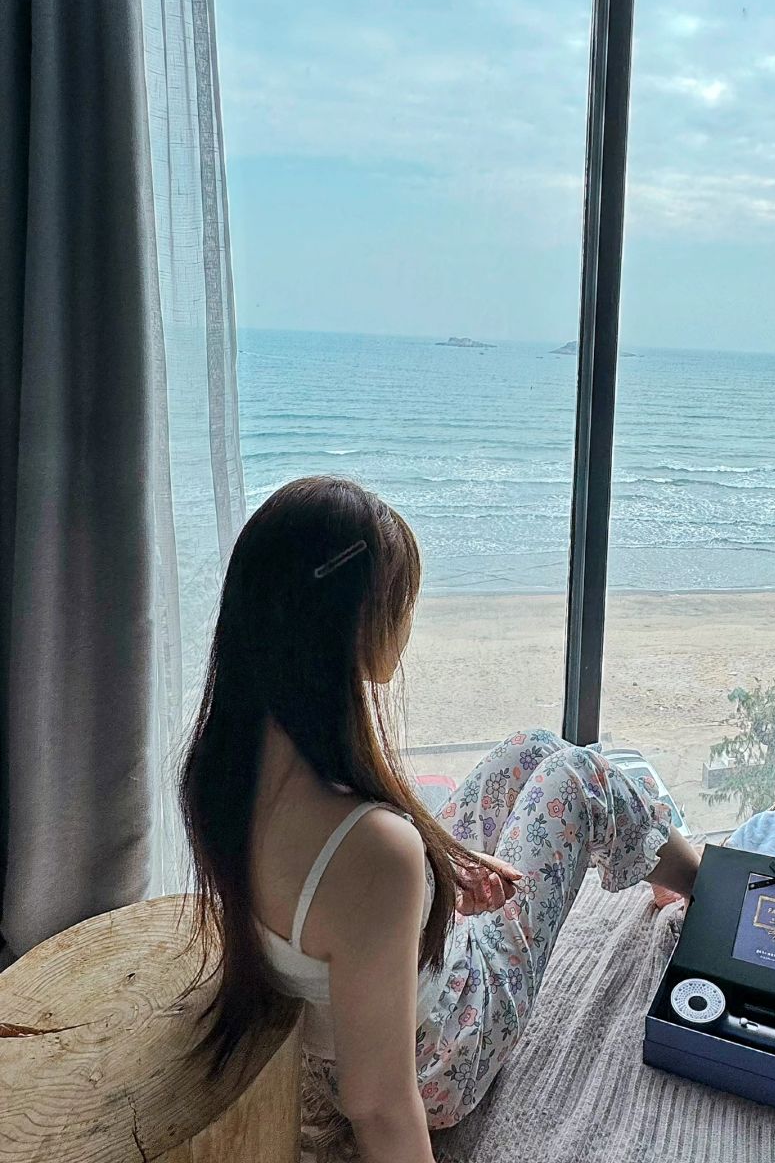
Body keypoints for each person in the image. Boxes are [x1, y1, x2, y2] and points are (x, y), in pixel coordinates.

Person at [180, 475, 701, 1163]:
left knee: (532, 751)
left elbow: (332, 905)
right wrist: (415, 874)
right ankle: (705, 883)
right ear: (356, 623)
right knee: (581, 778)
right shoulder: (371, 850)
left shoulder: (223, 766)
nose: (408, 621)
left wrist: (434, 871)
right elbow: (379, 1104)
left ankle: (661, 862)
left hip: (361, 987)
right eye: (401, 602)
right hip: (442, 1055)